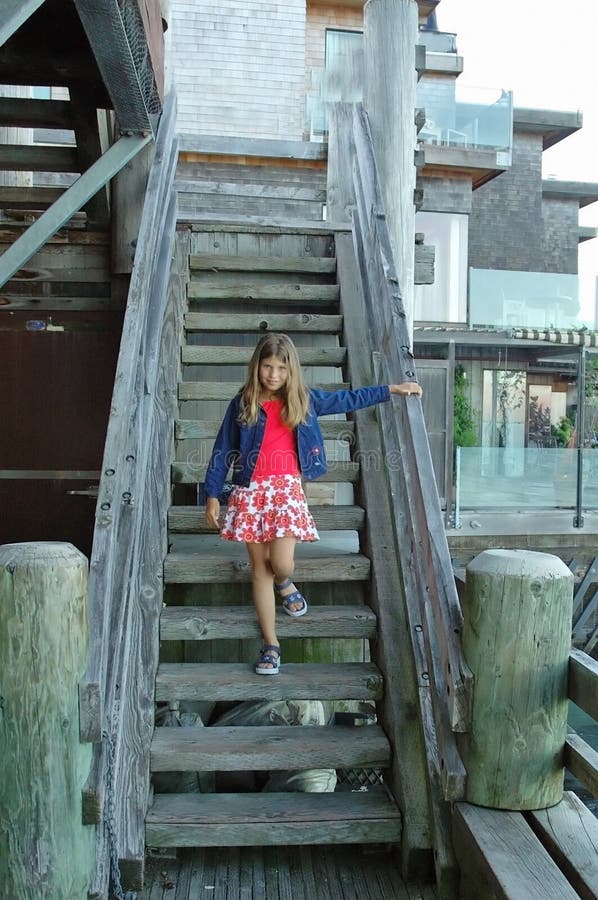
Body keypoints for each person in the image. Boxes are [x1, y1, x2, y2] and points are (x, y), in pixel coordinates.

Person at [204, 333, 422, 675]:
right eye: (267, 367)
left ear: (292, 371)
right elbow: (222, 449)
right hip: (249, 493)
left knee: (281, 563)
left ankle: (286, 582)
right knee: (259, 570)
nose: (273, 375)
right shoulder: (243, 403)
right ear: (256, 367)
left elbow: (347, 399)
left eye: (281, 368)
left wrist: (391, 390)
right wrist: (213, 495)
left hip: (286, 493)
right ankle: (271, 645)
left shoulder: (303, 401)